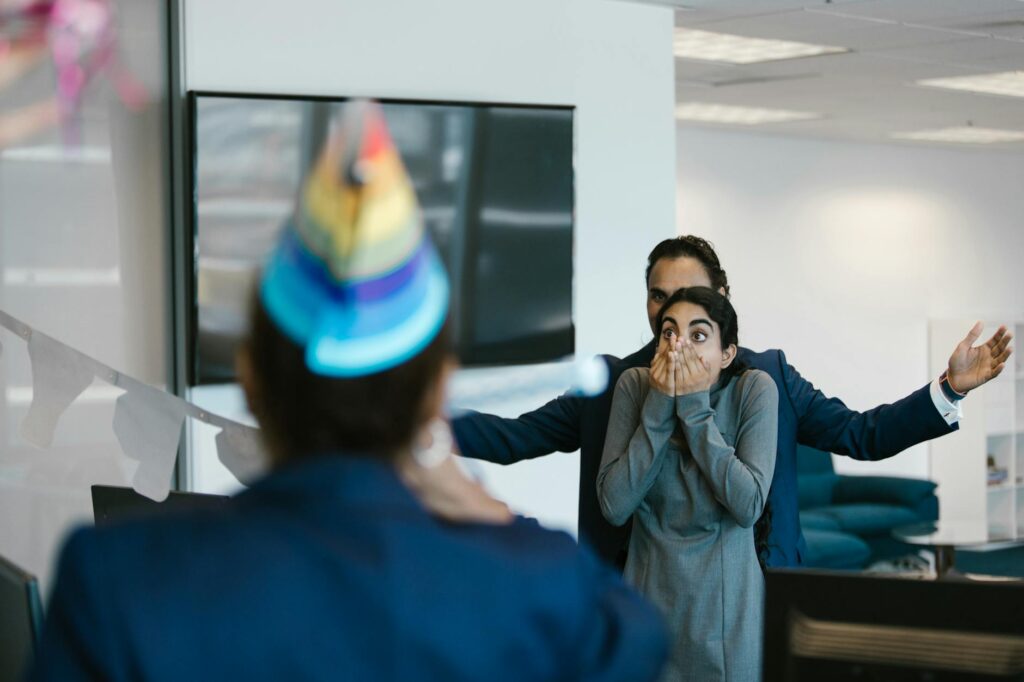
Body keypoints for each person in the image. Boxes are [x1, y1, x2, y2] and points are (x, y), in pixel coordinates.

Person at [30, 102, 668, 682]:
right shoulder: (537, 586)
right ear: (438, 392)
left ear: (249, 381)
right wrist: (481, 503)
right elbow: (637, 639)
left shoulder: (122, 581)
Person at [452, 236, 1013, 568]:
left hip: (757, 599)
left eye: (688, 295)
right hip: (638, 598)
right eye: (658, 297)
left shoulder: (767, 378)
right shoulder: (614, 382)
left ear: (721, 297)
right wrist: (408, 419)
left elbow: (863, 435)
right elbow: (512, 438)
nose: (669, 313)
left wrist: (951, 388)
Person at [598, 287, 776, 681]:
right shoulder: (634, 386)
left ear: (727, 354)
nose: (678, 346)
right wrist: (660, 405)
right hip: (648, 605)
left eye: (698, 335)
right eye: (668, 332)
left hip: (727, 618)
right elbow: (614, 505)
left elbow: (748, 505)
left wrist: (695, 408)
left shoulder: (755, 390)